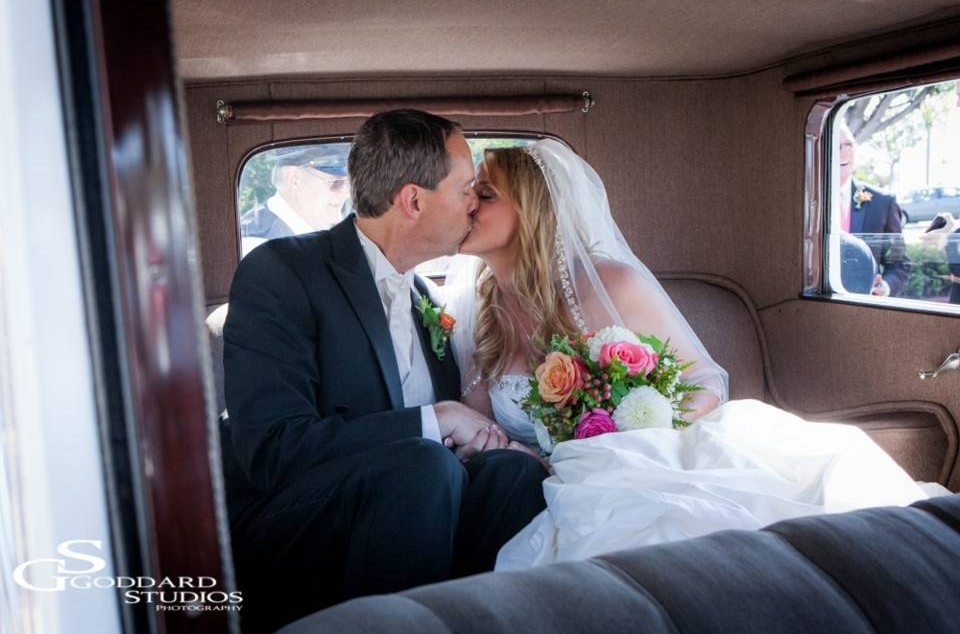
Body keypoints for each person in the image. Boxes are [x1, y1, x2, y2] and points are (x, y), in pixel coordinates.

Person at [445, 139, 941, 570]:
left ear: (533, 210)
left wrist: (637, 431)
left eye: (484, 195)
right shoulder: (477, 313)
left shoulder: (612, 284)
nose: (466, 207)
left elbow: (705, 383)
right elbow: (485, 434)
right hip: (556, 487)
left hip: (650, 463)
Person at [222, 109, 548, 632]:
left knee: (514, 475)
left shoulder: (424, 296)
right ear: (413, 201)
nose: (475, 202)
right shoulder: (283, 273)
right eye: (466, 187)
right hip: (289, 524)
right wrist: (436, 419)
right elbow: (273, 451)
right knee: (424, 465)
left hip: (405, 515)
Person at [835, 123, 910, 296]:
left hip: (864, 306)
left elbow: (900, 263)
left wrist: (885, 286)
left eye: (849, 145)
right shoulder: (806, 197)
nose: (844, 152)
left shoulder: (882, 202)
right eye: (837, 146)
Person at [239, 144, 352, 256]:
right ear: (294, 179)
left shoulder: (329, 230)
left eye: (348, 183)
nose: (346, 193)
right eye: (335, 183)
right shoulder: (258, 247)